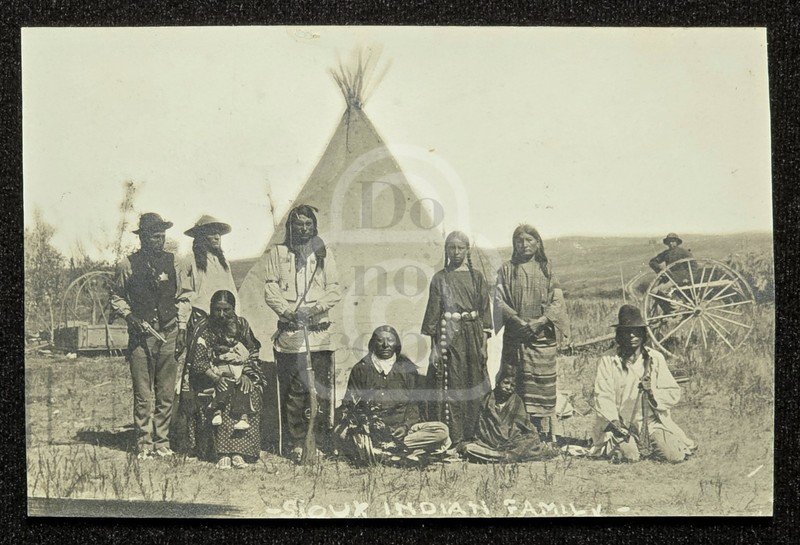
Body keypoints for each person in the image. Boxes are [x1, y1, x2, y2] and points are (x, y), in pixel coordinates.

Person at [263, 204, 342, 461]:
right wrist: (288, 313)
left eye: (308, 224)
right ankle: (296, 441)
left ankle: (318, 441)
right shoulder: (278, 253)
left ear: (314, 226)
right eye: (298, 224)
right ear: (290, 227)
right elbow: (270, 290)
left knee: (318, 389)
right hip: (292, 332)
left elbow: (335, 289)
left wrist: (316, 309)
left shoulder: (324, 253)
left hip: (318, 332)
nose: (304, 229)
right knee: (294, 390)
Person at [110, 213, 181, 460]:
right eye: (154, 236)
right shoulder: (127, 264)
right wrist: (130, 318)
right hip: (141, 337)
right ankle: (143, 443)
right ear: (143, 238)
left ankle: (162, 441)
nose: (159, 240)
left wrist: (179, 327)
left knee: (166, 392)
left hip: (169, 333)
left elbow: (183, 297)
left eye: (162, 236)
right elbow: (117, 297)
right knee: (142, 393)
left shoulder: (174, 262)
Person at [589, 304, 696, 463]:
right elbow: (603, 395)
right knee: (631, 456)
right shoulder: (608, 360)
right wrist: (615, 422)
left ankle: (652, 443)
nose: (632, 335)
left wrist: (652, 392)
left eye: (636, 331)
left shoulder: (655, 358)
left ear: (643, 333)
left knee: (675, 456)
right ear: (620, 334)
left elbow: (673, 392)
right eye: (627, 331)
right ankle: (628, 446)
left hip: (651, 423)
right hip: (620, 425)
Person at [494, 225, 570, 441]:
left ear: (538, 243)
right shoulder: (507, 269)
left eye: (529, 240)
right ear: (514, 244)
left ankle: (540, 431)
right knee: (514, 380)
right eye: (519, 240)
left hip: (541, 338)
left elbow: (557, 300)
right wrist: (517, 320)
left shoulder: (546, 269)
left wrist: (542, 320)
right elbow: (498, 300)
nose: (524, 244)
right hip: (516, 335)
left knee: (539, 384)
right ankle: (516, 429)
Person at [337, 325, 451, 464]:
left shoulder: (406, 368)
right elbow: (351, 404)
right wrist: (369, 426)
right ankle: (394, 451)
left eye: (390, 340)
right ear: (373, 344)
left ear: (396, 344)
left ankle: (388, 450)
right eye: (380, 341)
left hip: (402, 432)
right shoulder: (361, 369)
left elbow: (414, 405)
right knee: (347, 437)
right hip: (371, 431)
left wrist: (405, 426)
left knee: (441, 430)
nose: (385, 345)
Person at [173, 215, 238, 455]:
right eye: (211, 233)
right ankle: (190, 440)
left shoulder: (223, 262)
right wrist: (182, 327)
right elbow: (185, 297)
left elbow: (231, 293)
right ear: (200, 237)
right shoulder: (189, 261)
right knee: (196, 378)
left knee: (221, 374)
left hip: (223, 325)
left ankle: (219, 439)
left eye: (218, 232)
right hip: (200, 323)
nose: (216, 237)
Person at [421, 231, 492, 447]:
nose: (456, 252)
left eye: (460, 247)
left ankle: (474, 434)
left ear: (467, 250)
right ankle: (453, 435)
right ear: (446, 250)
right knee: (451, 382)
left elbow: (484, 312)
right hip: (448, 336)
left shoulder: (477, 277)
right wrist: (434, 348)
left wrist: (484, 344)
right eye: (451, 247)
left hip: (473, 335)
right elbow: (433, 314)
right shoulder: (440, 278)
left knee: (474, 380)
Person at [187, 290, 264, 469]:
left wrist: (246, 373)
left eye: (226, 310)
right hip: (210, 377)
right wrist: (216, 378)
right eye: (217, 310)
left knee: (247, 390)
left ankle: (239, 452)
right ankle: (222, 453)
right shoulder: (204, 328)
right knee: (226, 393)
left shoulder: (242, 325)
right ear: (211, 309)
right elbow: (199, 362)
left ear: (233, 309)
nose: (221, 314)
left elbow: (252, 351)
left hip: (240, 372)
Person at [459, 375, 557, 463]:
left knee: (529, 444)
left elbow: (519, 426)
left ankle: (498, 456)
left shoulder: (517, 401)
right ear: (498, 382)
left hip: (512, 441)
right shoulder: (487, 400)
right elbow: (483, 425)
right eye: (506, 383)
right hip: (489, 442)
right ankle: (502, 456)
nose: (508, 387)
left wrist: (508, 438)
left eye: (512, 385)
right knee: (469, 448)